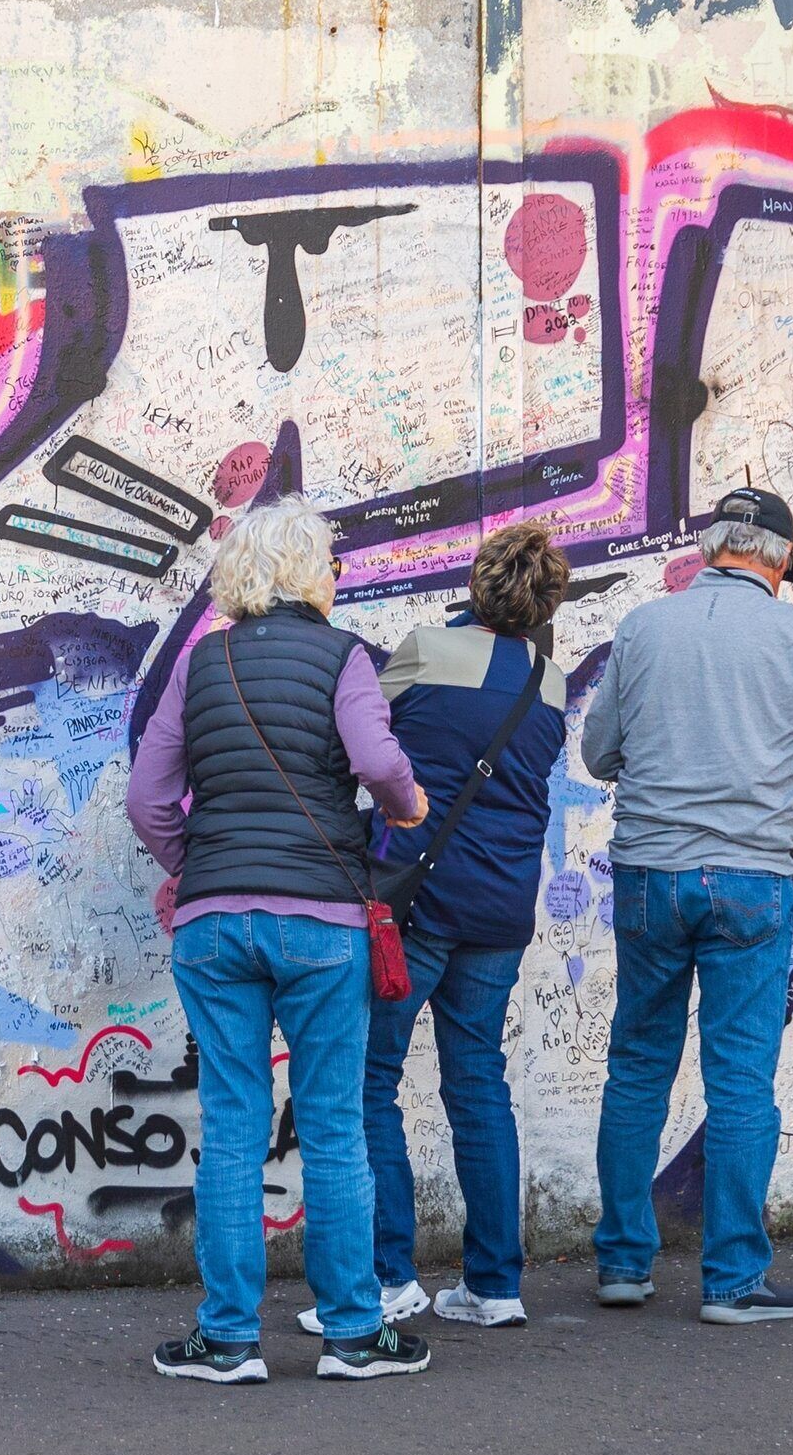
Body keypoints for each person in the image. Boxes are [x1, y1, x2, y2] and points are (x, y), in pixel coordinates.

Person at [124, 498, 434, 1384]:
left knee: (231, 1128)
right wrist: (407, 806)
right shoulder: (344, 659)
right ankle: (351, 1334)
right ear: (311, 573)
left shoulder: (201, 663)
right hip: (321, 923)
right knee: (334, 1129)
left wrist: (197, 864)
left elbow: (148, 799)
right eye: (330, 563)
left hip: (214, 924)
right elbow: (377, 765)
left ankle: (226, 1340)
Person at [574, 486, 793, 1323]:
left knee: (636, 1068)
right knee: (740, 1081)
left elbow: (597, 754)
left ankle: (623, 1264)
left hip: (648, 876)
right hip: (751, 881)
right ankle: (733, 1281)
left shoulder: (642, 627)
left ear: (710, 550)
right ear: (779, 561)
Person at [317, 522, 572, 1336]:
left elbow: (358, 740)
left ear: (477, 582)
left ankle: (390, 1278)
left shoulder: (425, 650)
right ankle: (495, 1285)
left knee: (370, 1081)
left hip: (417, 903)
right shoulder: (550, 680)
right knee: (478, 1085)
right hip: (501, 912)